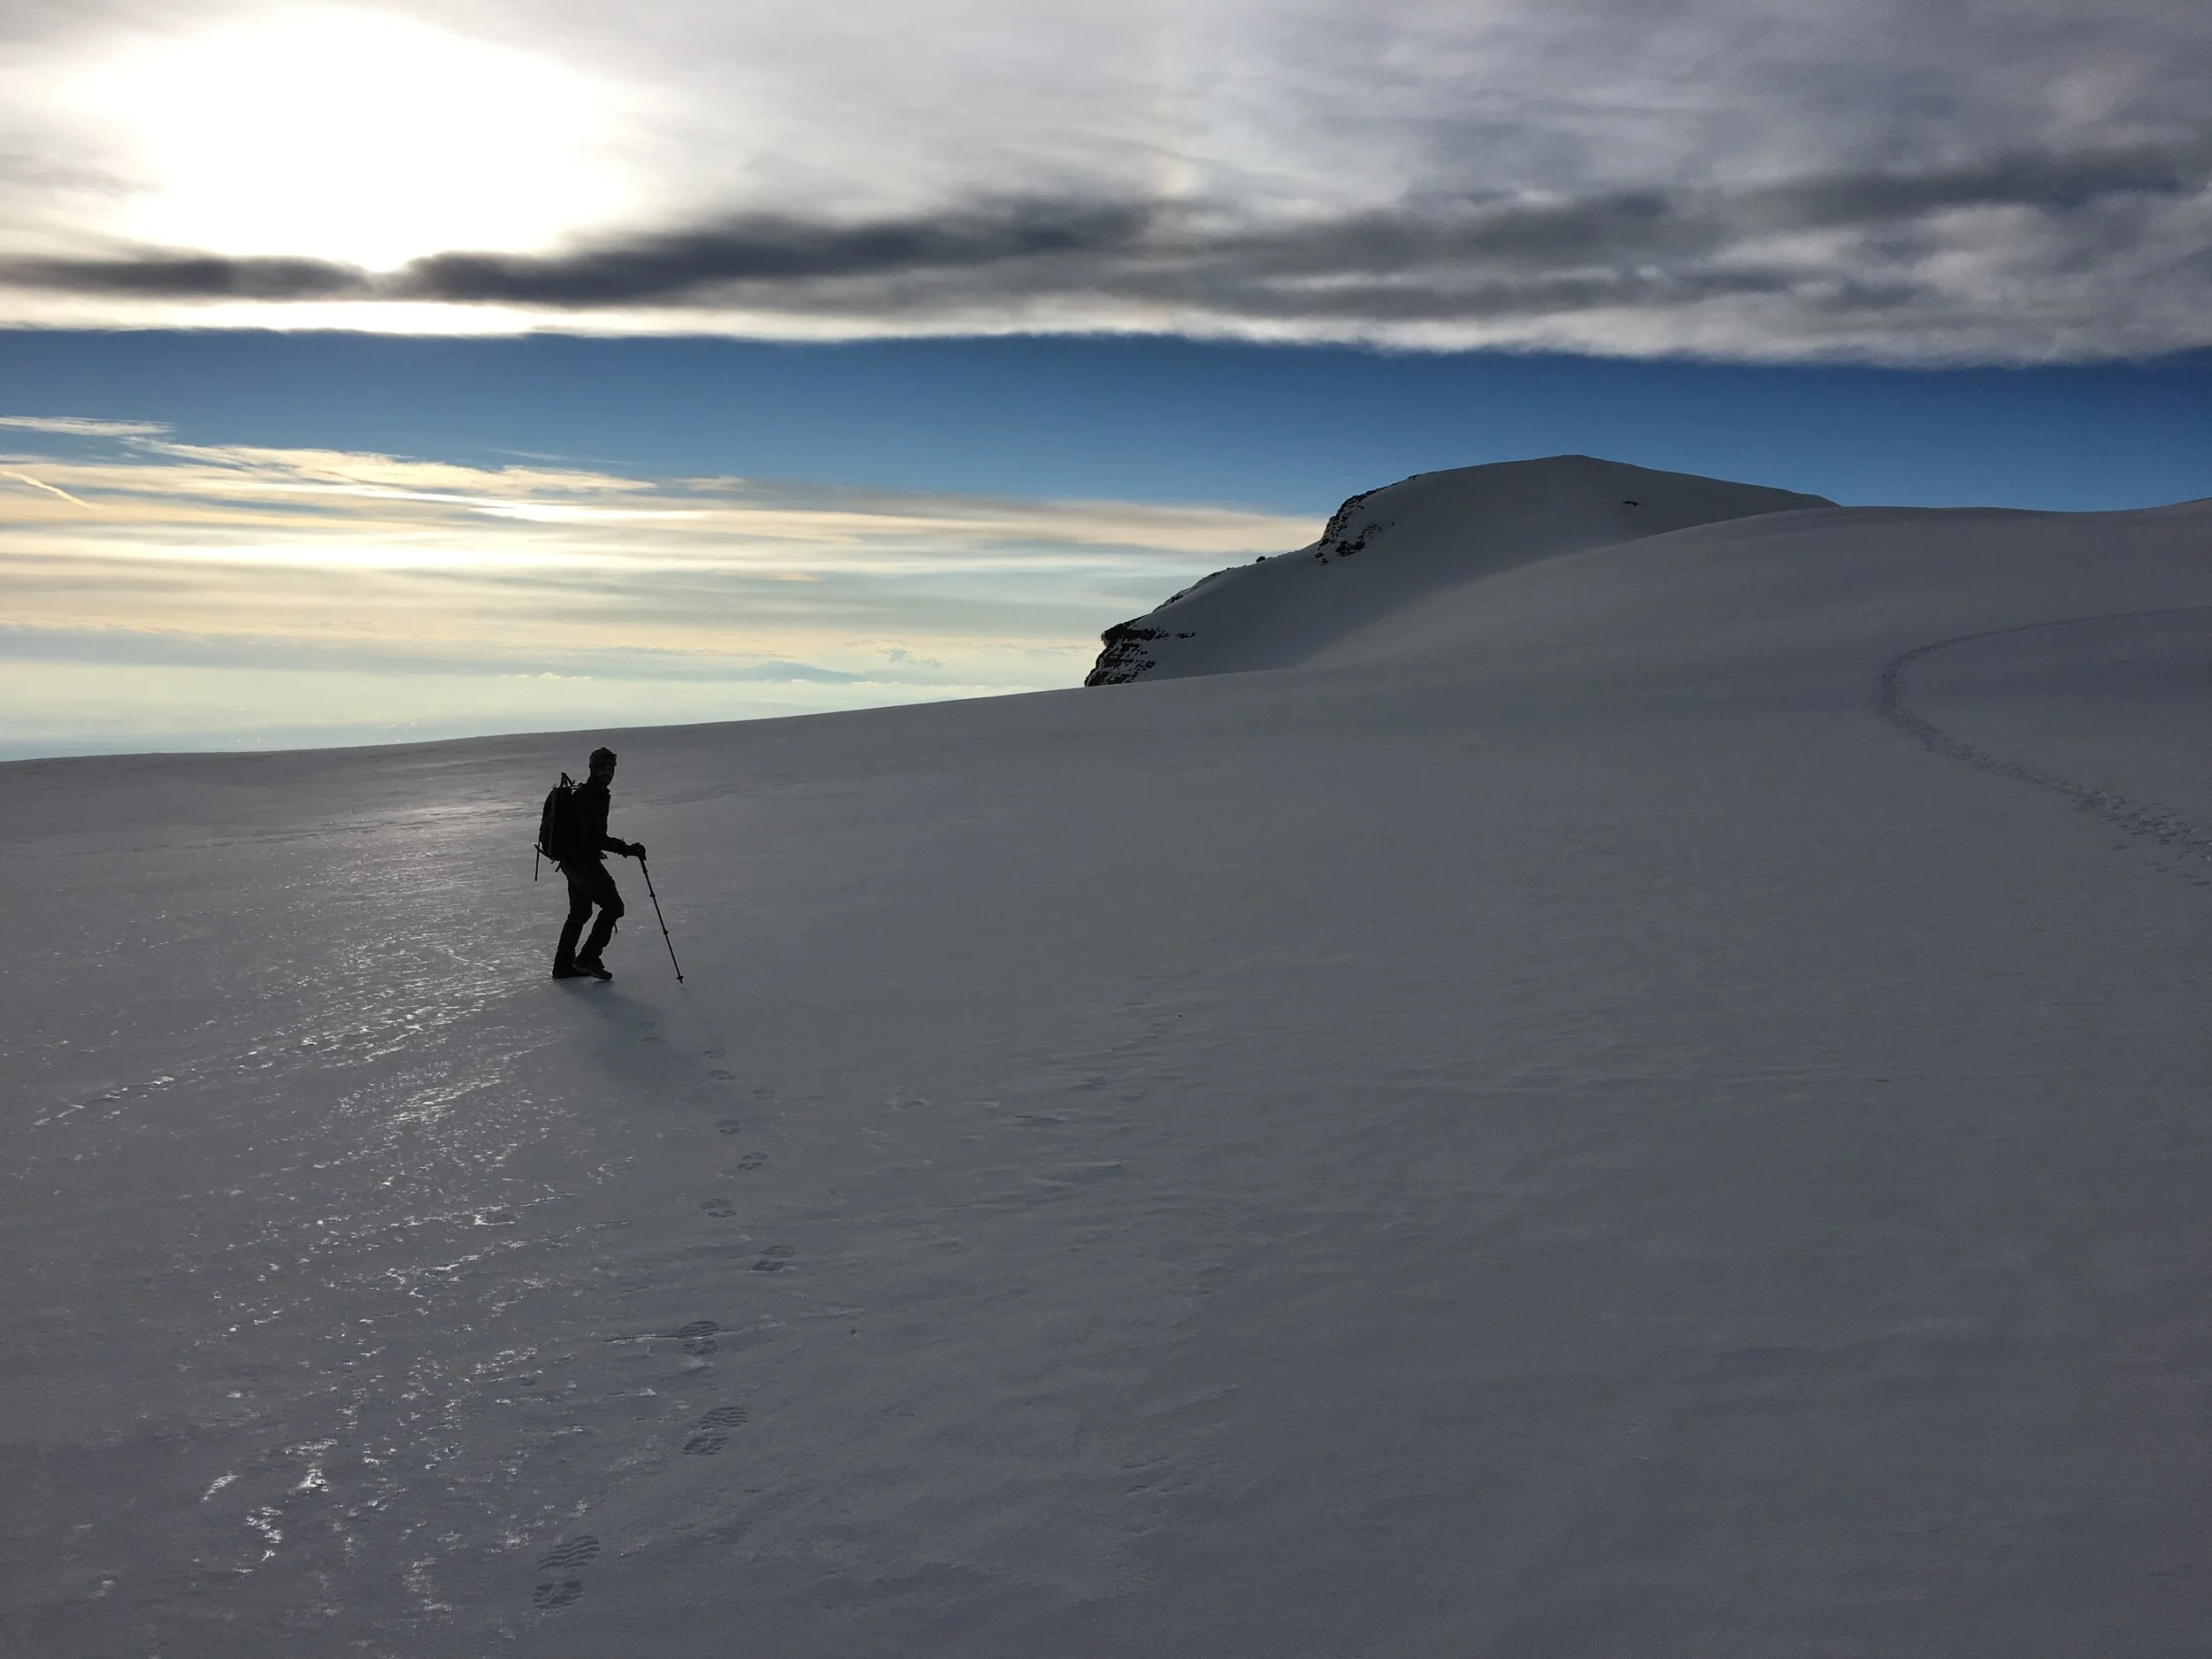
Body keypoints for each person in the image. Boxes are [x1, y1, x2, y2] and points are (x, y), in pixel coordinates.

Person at [554, 746, 646, 981]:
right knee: (614, 907)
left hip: (571, 861)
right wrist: (628, 849)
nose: (608, 772)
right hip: (582, 862)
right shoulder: (590, 796)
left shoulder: (593, 793)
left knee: (580, 912)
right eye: (603, 768)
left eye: (611, 768)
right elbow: (594, 837)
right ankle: (588, 958)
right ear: (593, 769)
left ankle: (563, 965)